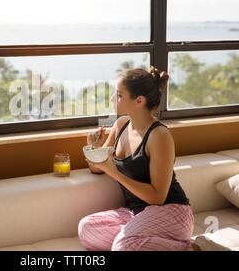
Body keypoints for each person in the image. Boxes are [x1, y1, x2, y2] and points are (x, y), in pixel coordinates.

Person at [78, 66, 194, 251]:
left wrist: (114, 172)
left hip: (171, 212)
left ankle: (192, 248)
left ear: (139, 100)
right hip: (136, 213)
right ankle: (140, 240)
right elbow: (98, 168)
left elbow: (157, 197)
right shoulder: (121, 124)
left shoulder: (159, 135)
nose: (113, 99)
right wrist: (94, 147)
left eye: (119, 95)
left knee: (124, 247)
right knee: (87, 228)